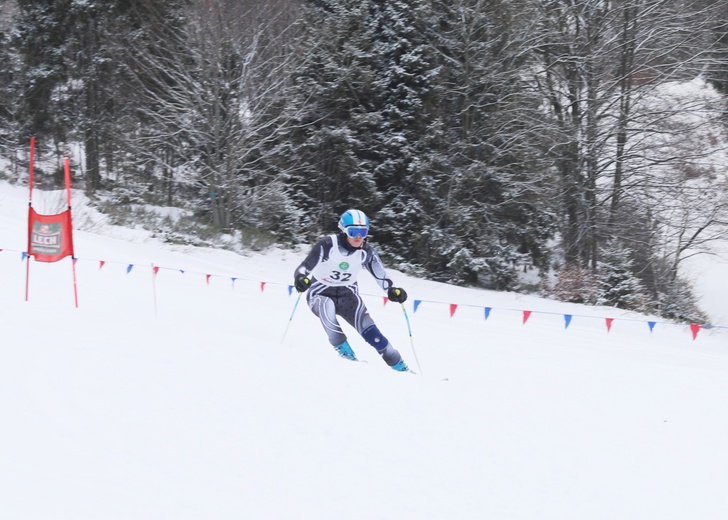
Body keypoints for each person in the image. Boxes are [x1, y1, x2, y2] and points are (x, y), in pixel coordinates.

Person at [293, 209, 411, 372]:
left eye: (362, 232)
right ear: (344, 230)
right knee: (326, 307)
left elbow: (382, 277)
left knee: (373, 334)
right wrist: (300, 279)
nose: (358, 237)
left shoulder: (366, 252)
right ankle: (347, 356)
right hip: (320, 292)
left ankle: (400, 367)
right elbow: (304, 268)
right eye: (353, 231)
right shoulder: (328, 245)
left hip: (348, 295)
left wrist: (392, 290)